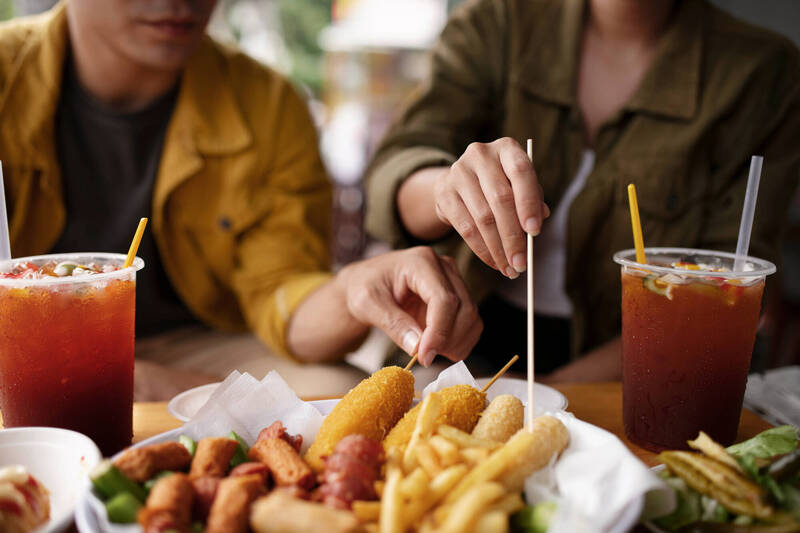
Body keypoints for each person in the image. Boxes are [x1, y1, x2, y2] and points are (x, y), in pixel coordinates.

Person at [0, 0, 482, 398]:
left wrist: (354, 289)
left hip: (194, 343)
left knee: (340, 390)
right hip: (19, 339)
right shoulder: (9, 75)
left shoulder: (267, 103)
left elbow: (281, 293)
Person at [365, 0, 800, 381]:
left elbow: (725, 295)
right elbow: (395, 168)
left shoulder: (762, 72)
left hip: (636, 372)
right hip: (452, 346)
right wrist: (444, 188)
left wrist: (554, 397)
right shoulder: (496, 22)